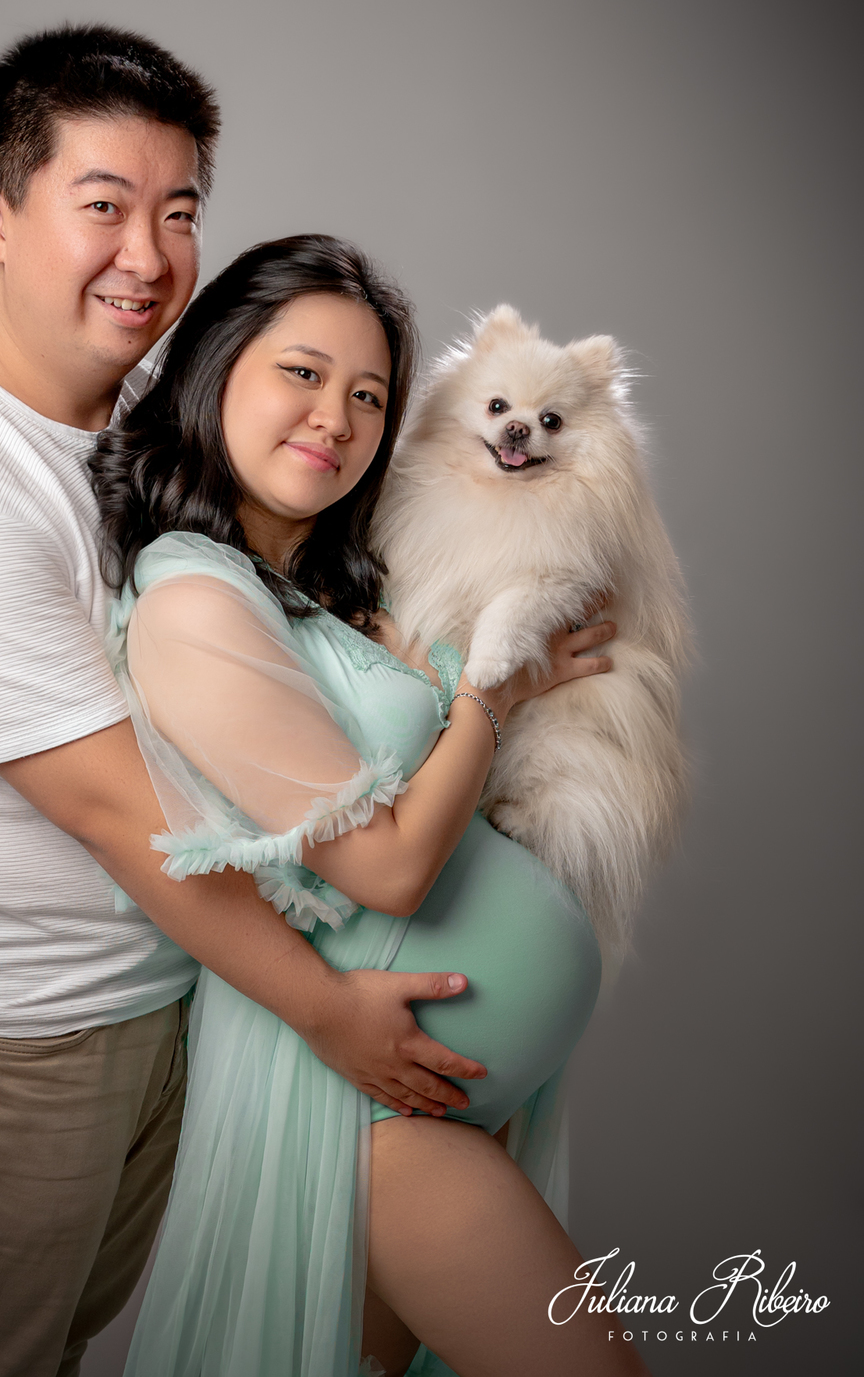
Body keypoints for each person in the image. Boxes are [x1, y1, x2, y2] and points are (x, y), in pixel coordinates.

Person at [0, 26, 494, 1377]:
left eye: (179, 212)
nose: (147, 255)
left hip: (173, 988)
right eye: (104, 207)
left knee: (81, 1336)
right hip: (11, 1029)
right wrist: (327, 1011)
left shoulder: (145, 399)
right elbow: (126, 816)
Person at [92, 235, 651, 1376]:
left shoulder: (322, 582)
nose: (337, 419)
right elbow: (388, 870)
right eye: (302, 374)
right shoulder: (192, 603)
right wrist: (495, 696)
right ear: (215, 370)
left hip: (427, 1095)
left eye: (368, 395)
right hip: (359, 1112)